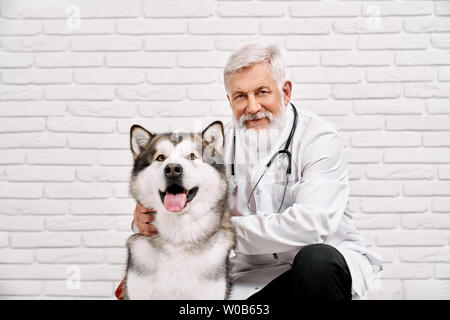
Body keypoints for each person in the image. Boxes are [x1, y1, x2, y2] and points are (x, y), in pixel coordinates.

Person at [117, 43, 382, 301]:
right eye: (241, 96)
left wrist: (213, 229)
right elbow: (181, 200)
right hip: (251, 278)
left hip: (319, 274)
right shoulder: (214, 149)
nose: (253, 107)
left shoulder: (318, 138)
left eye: (262, 92)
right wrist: (146, 217)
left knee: (317, 262)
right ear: (229, 99)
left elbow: (311, 226)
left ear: (286, 91)